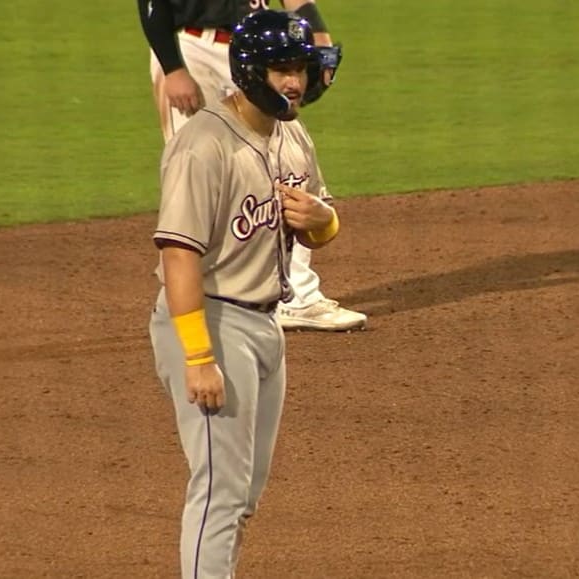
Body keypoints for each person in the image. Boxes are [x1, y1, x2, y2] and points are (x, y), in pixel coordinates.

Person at [147, 11, 348, 577]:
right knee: (220, 492)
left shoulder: (291, 133)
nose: (295, 82)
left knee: (243, 495)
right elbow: (179, 254)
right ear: (253, 71)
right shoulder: (202, 145)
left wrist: (325, 221)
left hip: (265, 325)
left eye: (300, 69)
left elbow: (317, 226)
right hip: (210, 322)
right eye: (283, 69)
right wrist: (198, 355)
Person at [137, 0, 367, 332]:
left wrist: (318, 37)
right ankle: (195, 298)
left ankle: (298, 296)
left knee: (284, 165)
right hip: (192, 49)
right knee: (195, 172)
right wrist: (172, 67)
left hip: (263, 52)